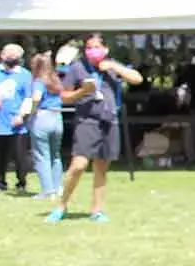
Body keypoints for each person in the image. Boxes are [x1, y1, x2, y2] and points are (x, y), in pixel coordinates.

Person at [47, 34, 144, 223]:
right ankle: (61, 206)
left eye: (96, 47)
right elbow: (64, 97)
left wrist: (114, 67)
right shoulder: (77, 68)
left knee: (101, 167)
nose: (92, 51)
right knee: (79, 165)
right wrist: (83, 91)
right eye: (89, 48)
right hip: (87, 120)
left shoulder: (112, 66)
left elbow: (137, 79)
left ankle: (97, 210)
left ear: (106, 49)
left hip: (109, 120)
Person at [0, 43, 34, 193]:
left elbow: (28, 98)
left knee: (20, 156)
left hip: (17, 123)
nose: (11, 58)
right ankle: (0, 183)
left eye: (15, 56)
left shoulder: (24, 75)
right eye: (9, 55)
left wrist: (21, 115)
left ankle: (21, 182)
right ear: (2, 55)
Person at [28, 50, 66, 200]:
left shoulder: (38, 81)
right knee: (55, 155)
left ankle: (47, 190)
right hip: (57, 117)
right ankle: (58, 188)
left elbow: (36, 98)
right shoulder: (56, 81)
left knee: (41, 155)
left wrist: (31, 112)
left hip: (42, 117)